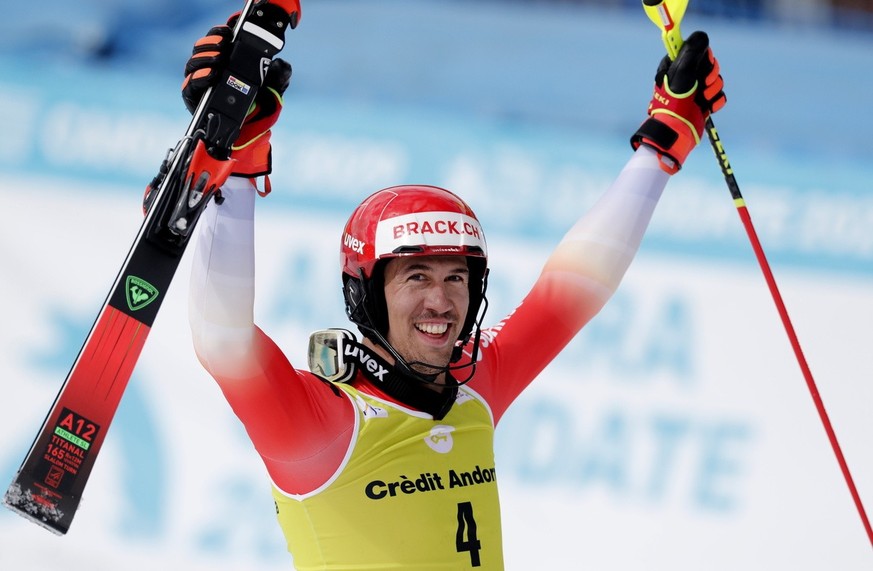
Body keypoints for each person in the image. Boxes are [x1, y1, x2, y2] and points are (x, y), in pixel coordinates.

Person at [185, 17, 725, 570]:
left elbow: (576, 286)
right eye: (416, 276)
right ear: (366, 294)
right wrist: (237, 165)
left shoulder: (476, 383)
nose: (441, 301)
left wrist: (664, 140)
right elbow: (222, 341)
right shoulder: (325, 426)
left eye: (456, 277)